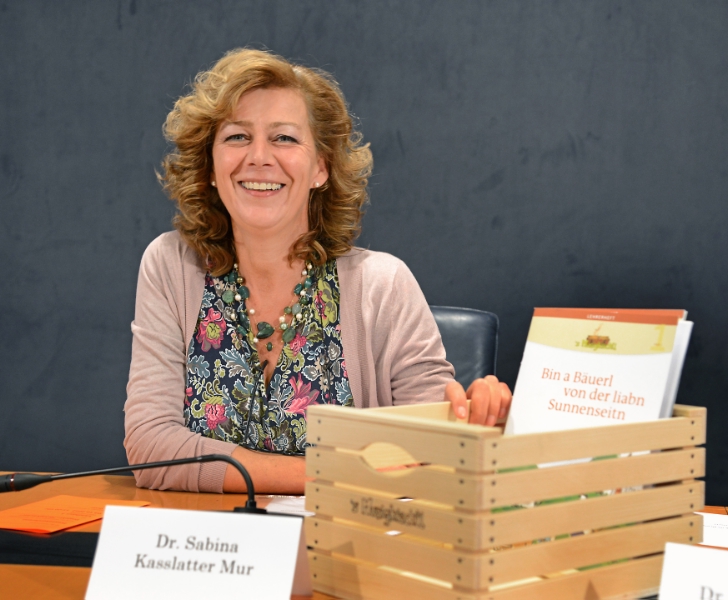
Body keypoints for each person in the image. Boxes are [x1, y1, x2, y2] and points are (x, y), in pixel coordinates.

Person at [124, 48, 511, 495]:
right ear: (210, 165)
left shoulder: (384, 285)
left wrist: (477, 417)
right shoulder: (171, 265)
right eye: (237, 136)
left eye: (284, 138)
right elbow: (151, 448)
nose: (259, 157)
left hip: (343, 537)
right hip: (205, 538)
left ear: (321, 168)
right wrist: (332, 475)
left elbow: (431, 453)